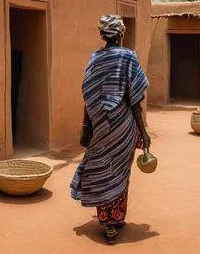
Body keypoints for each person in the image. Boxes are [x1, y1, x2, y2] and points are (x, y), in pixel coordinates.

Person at [70, 14, 150, 245]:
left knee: (102, 167)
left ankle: (107, 218)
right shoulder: (128, 56)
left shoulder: (94, 58)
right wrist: (143, 131)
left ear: (102, 34)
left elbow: (88, 96)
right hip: (123, 125)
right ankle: (113, 221)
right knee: (120, 171)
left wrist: (86, 125)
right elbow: (135, 99)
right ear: (121, 34)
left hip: (99, 125)